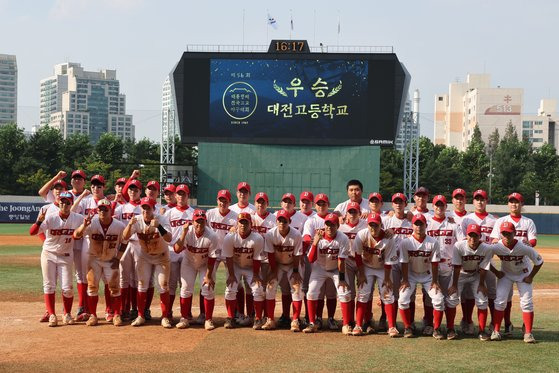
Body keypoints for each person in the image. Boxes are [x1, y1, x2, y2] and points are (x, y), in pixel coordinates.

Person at [30, 192, 84, 327]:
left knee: (67, 288)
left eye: (67, 202)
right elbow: (32, 232)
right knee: (49, 285)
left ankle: (67, 314)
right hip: (49, 254)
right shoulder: (50, 217)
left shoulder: (77, 218)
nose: (64, 205)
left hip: (66, 256)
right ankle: (52, 315)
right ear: (58, 203)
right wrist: (39, 221)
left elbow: (83, 230)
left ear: (72, 204)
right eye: (62, 202)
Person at [73, 199, 127, 327]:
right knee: (92, 287)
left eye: (105, 209)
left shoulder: (119, 226)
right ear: (97, 210)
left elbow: (124, 242)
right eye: (100, 209)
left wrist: (118, 258)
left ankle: (116, 314)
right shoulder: (91, 223)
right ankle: (93, 315)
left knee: (114, 288)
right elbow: (76, 235)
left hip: (110, 259)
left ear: (110, 210)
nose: (103, 212)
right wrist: (84, 225)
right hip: (94, 259)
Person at [490, 192, 537, 336]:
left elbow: (533, 241)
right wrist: (502, 248)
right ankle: (505, 325)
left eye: (517, 202)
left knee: (526, 302)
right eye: (511, 201)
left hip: (523, 267)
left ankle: (528, 331)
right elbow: (493, 240)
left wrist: (527, 245)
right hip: (506, 268)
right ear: (508, 204)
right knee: (503, 299)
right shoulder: (501, 221)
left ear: (522, 204)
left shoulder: (528, 222)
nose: (514, 204)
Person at [487, 221, 543, 343]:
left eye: (509, 234)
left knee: (527, 302)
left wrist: (531, 276)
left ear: (515, 233)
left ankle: (528, 333)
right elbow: (484, 261)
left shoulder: (523, 246)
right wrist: (496, 272)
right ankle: (496, 331)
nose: (506, 236)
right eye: (504, 233)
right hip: (506, 275)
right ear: (501, 234)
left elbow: (539, 261)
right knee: (500, 301)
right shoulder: (497, 246)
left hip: (523, 274)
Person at [122, 197, 173, 328]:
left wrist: (159, 227)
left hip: (161, 256)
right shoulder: (137, 220)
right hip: (145, 255)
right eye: (143, 208)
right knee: (142, 284)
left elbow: (169, 238)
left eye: (148, 208)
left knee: (163, 285)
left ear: (153, 209)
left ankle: (165, 317)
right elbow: (125, 237)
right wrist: (129, 224)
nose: (145, 211)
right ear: (141, 208)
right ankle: (141, 316)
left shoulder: (161, 219)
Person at [303, 213, 352, 335]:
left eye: (333, 225)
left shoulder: (343, 238)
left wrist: (341, 279)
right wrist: (315, 243)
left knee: (344, 292)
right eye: (327, 225)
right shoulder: (318, 236)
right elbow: (310, 259)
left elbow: (341, 260)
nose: (330, 227)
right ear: (324, 225)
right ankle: (312, 323)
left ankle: (346, 324)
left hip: (336, 268)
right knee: (311, 292)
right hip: (319, 267)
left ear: (338, 226)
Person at [398, 214, 444, 338]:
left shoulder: (433, 242)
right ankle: (408, 327)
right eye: (416, 224)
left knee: (438, 299)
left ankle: (436, 328)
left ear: (426, 225)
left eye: (421, 224)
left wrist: (435, 281)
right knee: (402, 299)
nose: (419, 226)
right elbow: (404, 262)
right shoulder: (406, 242)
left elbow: (435, 263)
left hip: (428, 275)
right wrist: (405, 279)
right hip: (411, 275)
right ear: (412, 225)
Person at [352, 212, 398, 337]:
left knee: (387, 294)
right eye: (371, 225)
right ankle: (358, 325)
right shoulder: (362, 234)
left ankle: (392, 327)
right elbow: (357, 255)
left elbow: (389, 260)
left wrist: (388, 278)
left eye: (376, 225)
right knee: (363, 294)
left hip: (383, 268)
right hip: (366, 267)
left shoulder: (388, 238)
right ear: (367, 226)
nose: (373, 228)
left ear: (381, 225)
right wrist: (361, 274)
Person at [173, 209, 219, 330]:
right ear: (193, 221)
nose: (199, 224)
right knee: (185, 289)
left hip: (205, 264)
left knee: (207, 288)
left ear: (206, 222)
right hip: (189, 262)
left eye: (202, 221)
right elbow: (177, 249)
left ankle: (208, 319)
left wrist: (208, 276)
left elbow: (212, 258)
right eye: (197, 221)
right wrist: (183, 232)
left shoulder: (212, 236)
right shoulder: (187, 232)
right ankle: (184, 318)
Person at [426, 195, 464, 340]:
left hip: (449, 266)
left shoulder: (453, 225)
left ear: (446, 207)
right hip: (431, 267)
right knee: (432, 298)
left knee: (451, 297)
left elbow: (461, 244)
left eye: (442, 205)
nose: (439, 207)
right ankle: (433, 326)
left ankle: (450, 328)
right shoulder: (427, 224)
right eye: (437, 205)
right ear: (433, 206)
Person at [460, 189, 497, 334]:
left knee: (492, 293)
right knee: (468, 294)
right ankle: (468, 321)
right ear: (473, 201)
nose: (480, 202)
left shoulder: (494, 220)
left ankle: (494, 322)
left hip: (488, 261)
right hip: (470, 261)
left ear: (486, 201)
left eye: (483, 199)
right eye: (477, 199)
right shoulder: (467, 219)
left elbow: (496, 240)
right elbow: (463, 240)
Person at [446, 224, 492, 341]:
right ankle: (450, 329)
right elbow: (456, 267)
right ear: (466, 236)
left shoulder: (486, 248)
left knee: (482, 299)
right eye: (470, 236)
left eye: (475, 236)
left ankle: (482, 330)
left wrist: (482, 284)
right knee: (452, 298)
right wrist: (454, 285)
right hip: (460, 274)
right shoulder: (459, 245)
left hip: (476, 275)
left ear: (480, 236)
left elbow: (483, 268)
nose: (472, 239)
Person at [222, 212, 266, 330]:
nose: (243, 225)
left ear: (250, 224)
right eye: (241, 222)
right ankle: (230, 317)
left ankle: (257, 318)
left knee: (257, 289)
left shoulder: (257, 238)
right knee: (230, 288)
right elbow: (229, 258)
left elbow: (257, 259)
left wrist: (256, 275)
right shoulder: (230, 237)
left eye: (246, 222)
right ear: (237, 223)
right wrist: (231, 275)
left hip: (251, 267)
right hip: (235, 266)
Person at [301, 193, 338, 330]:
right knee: (315, 291)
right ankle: (316, 318)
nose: (321, 206)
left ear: (328, 205)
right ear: (315, 205)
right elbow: (306, 237)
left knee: (332, 292)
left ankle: (331, 318)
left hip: (334, 263)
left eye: (324, 204)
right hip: (317, 262)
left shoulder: (334, 218)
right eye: (319, 204)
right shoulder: (311, 220)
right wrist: (309, 240)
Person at [263, 210, 304, 331]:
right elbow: (270, 254)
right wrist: (273, 270)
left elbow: (297, 255)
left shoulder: (296, 235)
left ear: (289, 222)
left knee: (297, 288)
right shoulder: (270, 234)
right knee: (270, 287)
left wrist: (296, 271)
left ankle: (295, 320)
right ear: (276, 222)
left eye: (284, 221)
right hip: (277, 264)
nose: (282, 223)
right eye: (279, 221)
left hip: (293, 264)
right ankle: (270, 319)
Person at [382, 193, 413, 330]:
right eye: (396, 202)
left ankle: (410, 323)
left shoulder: (411, 221)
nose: (398, 204)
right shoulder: (387, 220)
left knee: (409, 293)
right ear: (392, 204)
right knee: (391, 293)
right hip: (392, 261)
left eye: (401, 202)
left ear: (405, 204)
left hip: (408, 261)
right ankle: (391, 324)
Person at [114, 178, 143, 321]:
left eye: (136, 190)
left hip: (139, 243)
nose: (132, 192)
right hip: (125, 244)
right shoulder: (121, 208)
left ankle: (135, 308)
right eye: (131, 189)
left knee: (137, 279)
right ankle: (123, 308)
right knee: (123, 278)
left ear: (140, 192)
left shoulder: (144, 207)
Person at [164, 184, 194, 322]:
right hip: (172, 251)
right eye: (179, 194)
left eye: (184, 194)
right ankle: (168, 313)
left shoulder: (193, 213)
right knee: (171, 284)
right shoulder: (169, 213)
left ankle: (186, 313)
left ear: (188, 196)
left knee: (186, 284)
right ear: (175, 196)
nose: (181, 196)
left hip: (187, 252)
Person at [338, 202, 367, 332]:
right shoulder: (340, 226)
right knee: (348, 292)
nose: (352, 214)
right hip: (348, 261)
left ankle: (364, 320)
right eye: (350, 212)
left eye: (355, 212)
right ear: (346, 213)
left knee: (363, 292)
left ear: (360, 213)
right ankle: (348, 320)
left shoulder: (365, 225)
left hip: (363, 261)